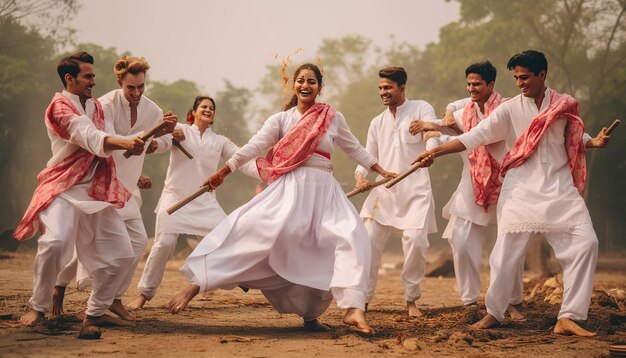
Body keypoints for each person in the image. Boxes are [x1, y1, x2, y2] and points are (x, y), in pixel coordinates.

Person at [167, 63, 395, 335]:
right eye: (301, 80)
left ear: (319, 87)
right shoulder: (281, 119)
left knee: (352, 236)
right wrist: (224, 171)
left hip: (325, 190)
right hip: (291, 190)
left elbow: (354, 147)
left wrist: (381, 170)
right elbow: (252, 147)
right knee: (256, 235)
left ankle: (351, 310)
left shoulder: (332, 117)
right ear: (294, 85)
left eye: (311, 81)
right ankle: (198, 283)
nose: (305, 85)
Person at [412, 50, 611, 336]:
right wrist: (435, 152)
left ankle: (569, 316)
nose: (520, 82)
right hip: (520, 188)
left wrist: (595, 142)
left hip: (559, 187)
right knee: (504, 255)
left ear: (542, 75)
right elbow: (474, 136)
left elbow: (576, 136)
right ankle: (495, 311)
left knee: (586, 244)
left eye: (525, 77)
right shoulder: (509, 109)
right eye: (516, 77)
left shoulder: (563, 105)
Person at [15, 52, 146, 327]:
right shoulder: (59, 107)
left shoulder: (97, 107)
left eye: (93, 76)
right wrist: (126, 144)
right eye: (88, 76)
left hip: (94, 190)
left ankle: (95, 313)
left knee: (123, 251)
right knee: (56, 242)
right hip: (63, 187)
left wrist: (139, 142)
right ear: (69, 78)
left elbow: (112, 137)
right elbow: (90, 136)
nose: (93, 81)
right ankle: (38, 308)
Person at [52, 56, 177, 320]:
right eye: (130, 88)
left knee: (137, 241)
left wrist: (159, 142)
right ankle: (57, 291)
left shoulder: (152, 110)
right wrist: (141, 140)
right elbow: (107, 140)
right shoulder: (102, 106)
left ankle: (112, 299)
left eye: (141, 87)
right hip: (101, 186)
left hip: (127, 189)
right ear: (119, 81)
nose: (136, 93)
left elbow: (165, 141)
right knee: (86, 246)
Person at [412, 61, 524, 317]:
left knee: (509, 243)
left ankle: (513, 302)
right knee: (461, 239)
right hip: (472, 183)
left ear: (491, 85)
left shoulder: (508, 109)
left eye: (477, 84)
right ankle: (470, 302)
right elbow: (441, 132)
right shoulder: (463, 115)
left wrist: (440, 122)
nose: (472, 88)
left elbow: (459, 130)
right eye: (469, 84)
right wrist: (430, 145)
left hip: (508, 182)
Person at [128, 95, 259, 309]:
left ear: (213, 116)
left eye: (211, 108)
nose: (208, 110)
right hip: (174, 197)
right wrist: (165, 131)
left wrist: (269, 172)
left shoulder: (219, 141)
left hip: (204, 200)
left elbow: (242, 161)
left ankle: (238, 277)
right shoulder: (179, 131)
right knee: (164, 244)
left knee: (227, 240)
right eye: (203, 107)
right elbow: (156, 146)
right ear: (194, 112)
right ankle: (144, 295)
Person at [353, 67, 437, 317]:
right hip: (384, 193)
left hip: (416, 190)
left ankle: (411, 300)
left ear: (402, 88)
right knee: (368, 244)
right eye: (380, 88)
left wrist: (430, 151)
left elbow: (433, 134)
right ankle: (363, 300)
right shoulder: (377, 122)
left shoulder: (421, 108)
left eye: (387, 87)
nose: (383, 92)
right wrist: (360, 178)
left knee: (416, 242)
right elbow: (367, 157)